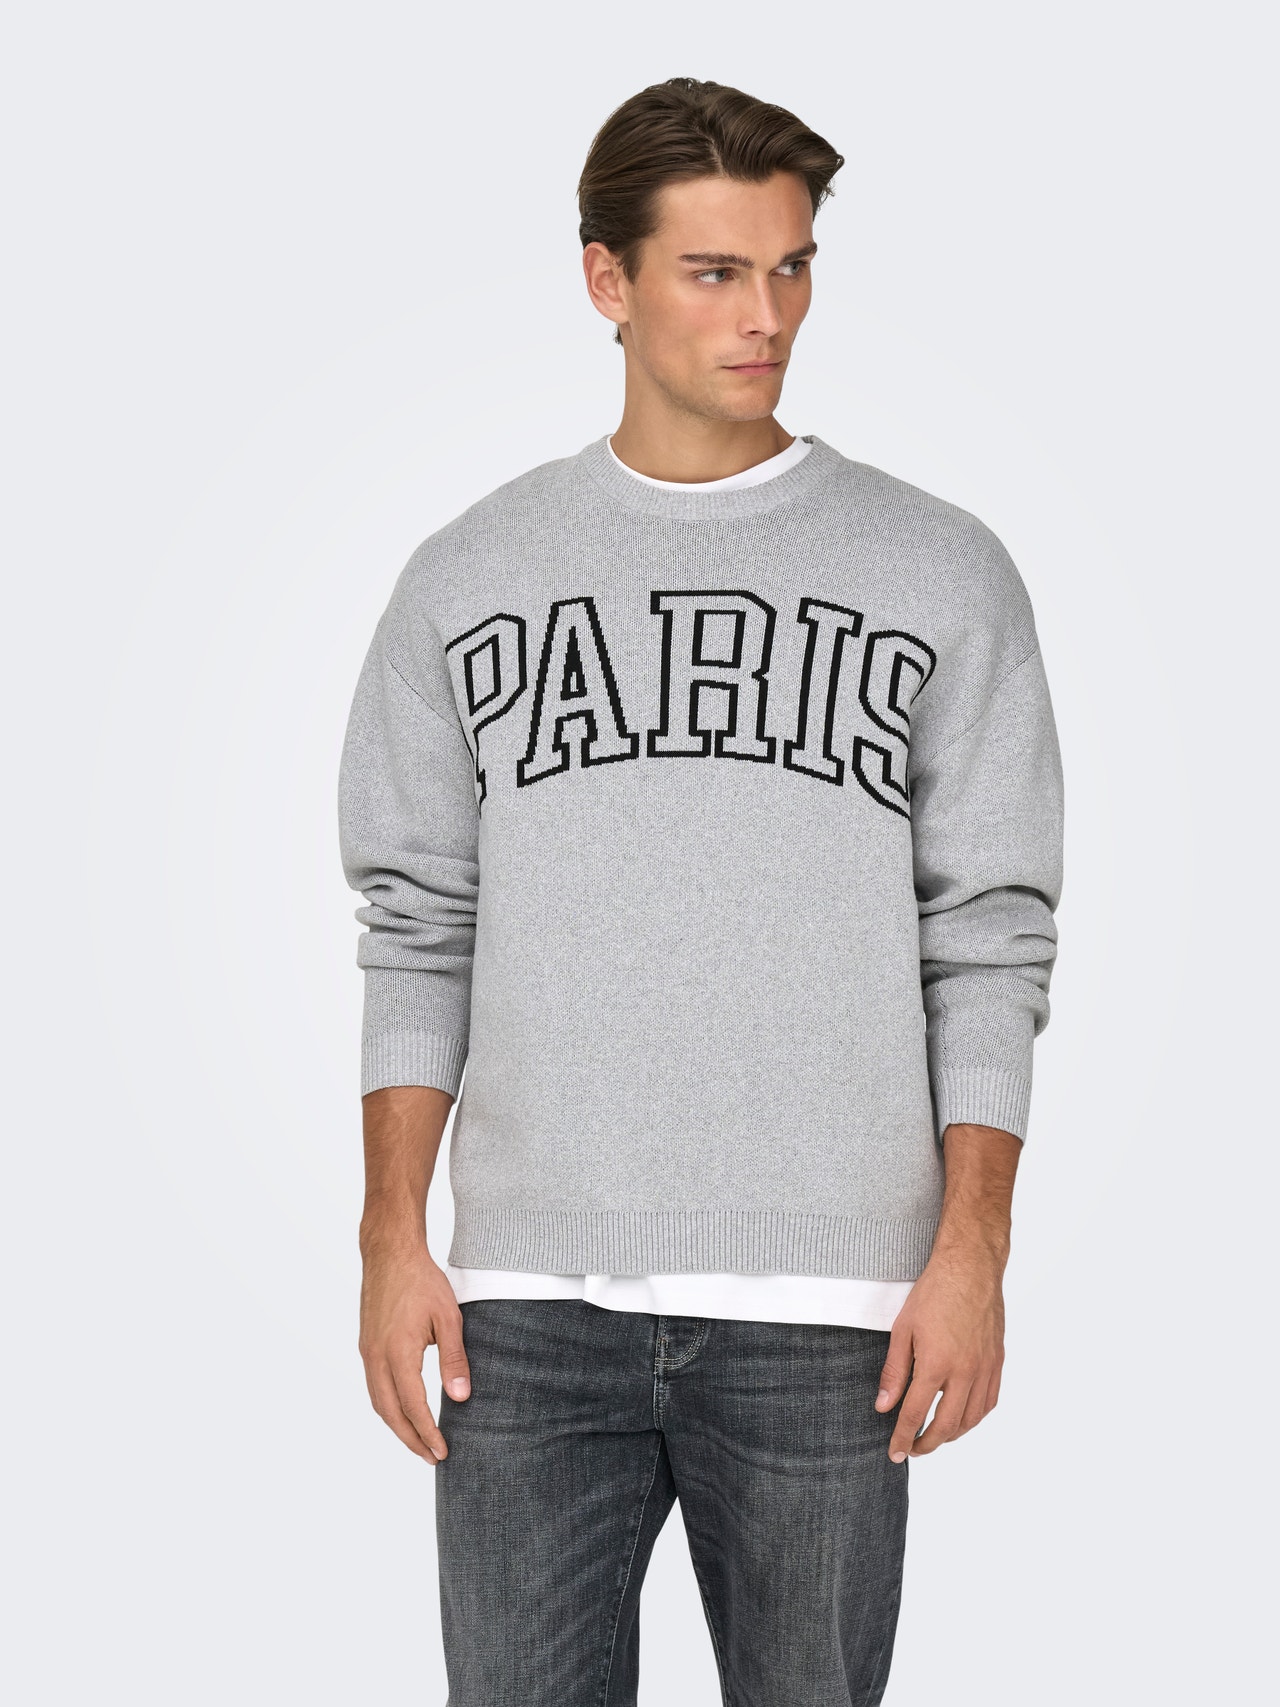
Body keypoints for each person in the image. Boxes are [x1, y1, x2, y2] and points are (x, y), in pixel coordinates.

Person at [338, 76, 1064, 1707]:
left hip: (833, 1316)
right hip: (526, 1312)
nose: (767, 318)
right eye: (716, 273)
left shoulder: (938, 571)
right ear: (607, 278)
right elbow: (418, 927)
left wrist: (973, 1253)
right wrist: (393, 1236)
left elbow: (989, 937)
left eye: (792, 268)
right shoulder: (470, 577)